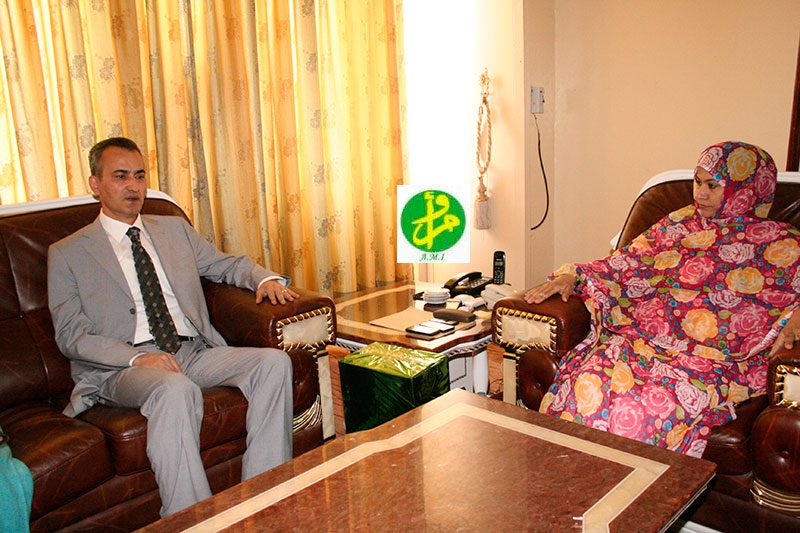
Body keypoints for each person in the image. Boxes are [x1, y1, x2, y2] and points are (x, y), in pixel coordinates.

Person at [47, 137, 301, 516]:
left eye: (139, 176)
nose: (133, 186)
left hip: (191, 351)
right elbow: (71, 335)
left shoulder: (173, 229)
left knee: (273, 363)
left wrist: (264, 279)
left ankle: (265, 493)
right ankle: (190, 516)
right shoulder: (68, 252)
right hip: (121, 368)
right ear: (95, 184)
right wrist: (137, 359)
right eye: (120, 176)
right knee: (175, 388)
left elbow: (225, 265)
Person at [523, 141, 800, 457]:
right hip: (642, 341)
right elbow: (627, 262)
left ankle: (634, 484)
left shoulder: (782, 243)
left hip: (711, 359)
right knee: (588, 388)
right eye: (697, 181)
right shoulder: (677, 224)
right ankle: (574, 478)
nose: (700, 194)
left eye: (713, 185)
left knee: (637, 415)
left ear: (746, 190)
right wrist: (574, 275)